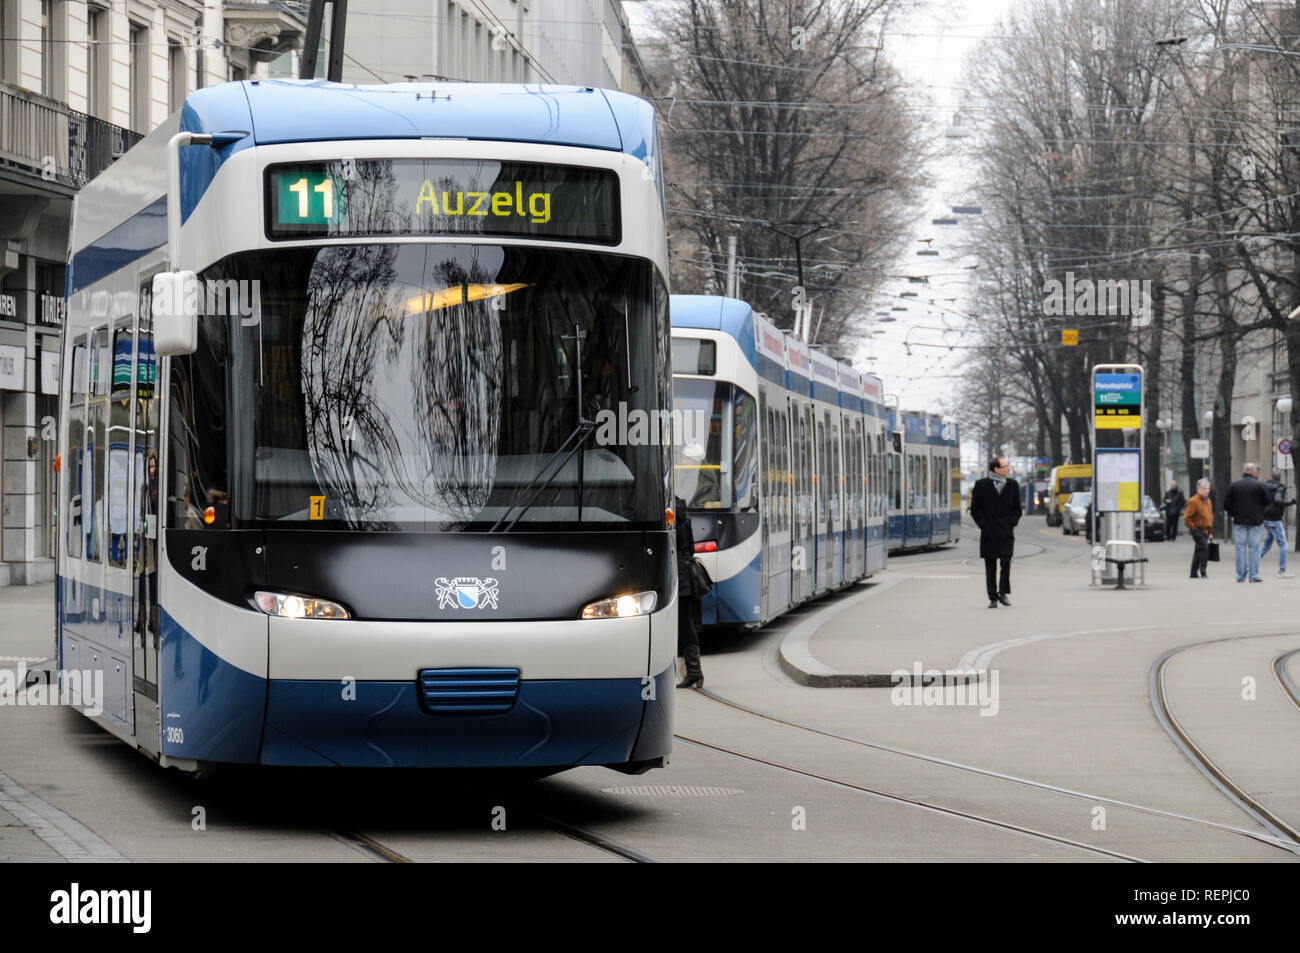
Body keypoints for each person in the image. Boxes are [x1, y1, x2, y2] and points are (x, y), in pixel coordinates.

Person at [969, 455, 1021, 608]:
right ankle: (992, 596)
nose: (1008, 469)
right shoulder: (981, 485)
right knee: (990, 565)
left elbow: (1017, 508)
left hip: (1006, 532)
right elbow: (975, 509)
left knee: (1006, 562)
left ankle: (1003, 593)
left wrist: (1012, 522)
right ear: (996, 469)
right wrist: (983, 525)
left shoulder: (1012, 485)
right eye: (1005, 466)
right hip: (989, 533)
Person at [1223, 462, 1272, 583]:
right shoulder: (1260, 485)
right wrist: (1260, 511)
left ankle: (1240, 576)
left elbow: (1226, 504)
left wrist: (1233, 514)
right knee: (1254, 548)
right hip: (1256, 520)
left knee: (1240, 548)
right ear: (1254, 472)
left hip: (1239, 520)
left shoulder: (1234, 486)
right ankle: (1254, 575)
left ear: (1243, 471)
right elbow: (1268, 500)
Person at [674, 495, 704, 688]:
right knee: (686, 623)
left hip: (676, 575)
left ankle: (694, 671)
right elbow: (691, 548)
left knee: (683, 624)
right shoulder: (684, 515)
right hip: (684, 574)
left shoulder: (669, 514)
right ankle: (694, 671)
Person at [1259, 470, 1296, 578]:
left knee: (1266, 545)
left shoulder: (1265, 487)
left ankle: (1252, 565)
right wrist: (1290, 502)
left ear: (1271, 477)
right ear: (1280, 478)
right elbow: (1278, 500)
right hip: (1275, 520)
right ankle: (1282, 571)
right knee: (1284, 545)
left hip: (1267, 518)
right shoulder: (1279, 488)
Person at [1184, 478, 1214, 579]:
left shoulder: (1208, 501)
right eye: (1205, 488)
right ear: (1199, 489)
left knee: (1199, 550)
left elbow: (1209, 517)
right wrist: (1193, 529)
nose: (1207, 491)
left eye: (1208, 488)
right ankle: (1203, 571)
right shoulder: (1193, 501)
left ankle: (1193, 572)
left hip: (1205, 530)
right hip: (1197, 530)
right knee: (1204, 549)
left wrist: (1210, 532)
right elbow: (1187, 518)